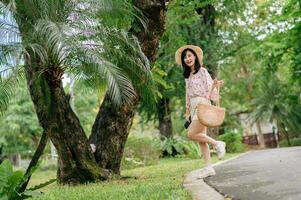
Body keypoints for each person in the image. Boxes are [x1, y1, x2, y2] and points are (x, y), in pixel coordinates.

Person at [175, 45, 226, 178]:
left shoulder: (202, 71)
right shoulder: (188, 76)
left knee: (191, 134)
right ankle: (208, 167)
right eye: (185, 57)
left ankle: (217, 143)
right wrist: (187, 112)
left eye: (189, 56)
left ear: (195, 57)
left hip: (202, 104)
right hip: (193, 107)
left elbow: (209, 90)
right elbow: (187, 94)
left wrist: (215, 85)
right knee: (201, 139)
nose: (187, 58)